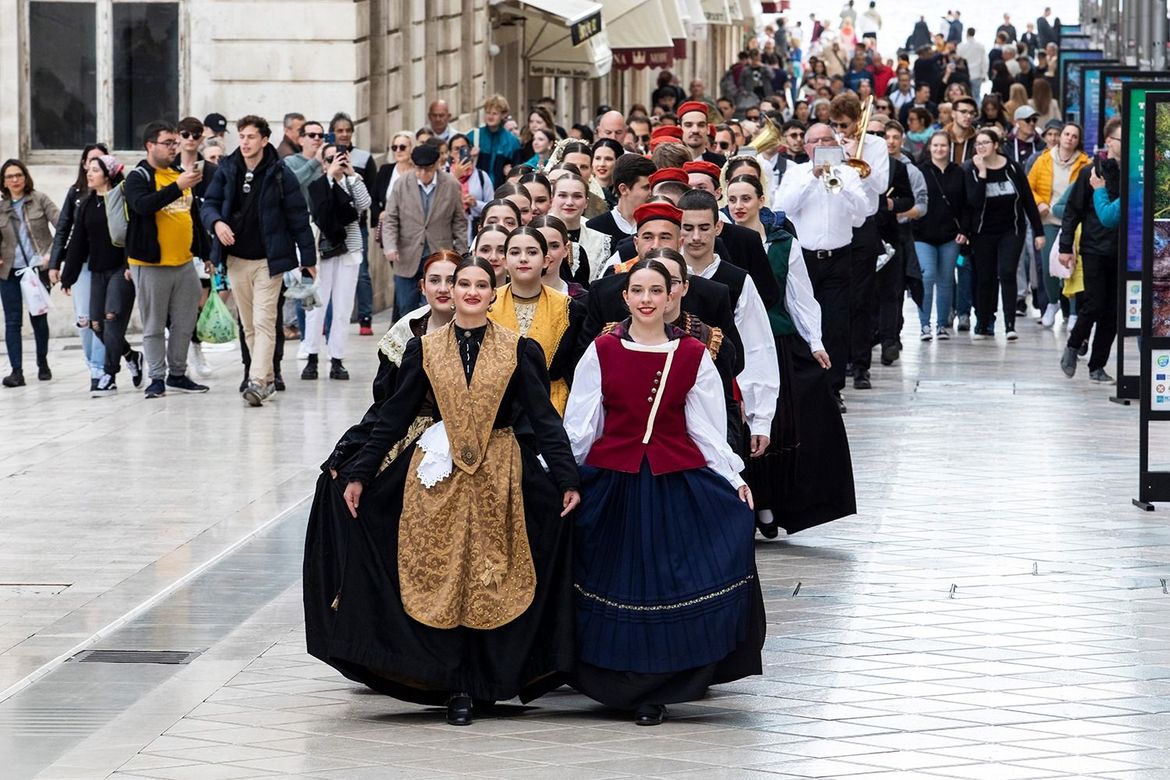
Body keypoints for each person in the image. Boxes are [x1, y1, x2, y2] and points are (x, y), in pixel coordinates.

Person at [309, 256, 580, 727]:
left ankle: (491, 680)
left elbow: (543, 419)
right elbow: (393, 415)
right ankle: (452, 683)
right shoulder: (425, 348)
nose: (472, 291)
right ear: (450, 293)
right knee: (444, 572)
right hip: (438, 475)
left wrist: (566, 477)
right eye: (463, 284)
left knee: (493, 572)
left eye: (481, 285)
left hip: (501, 471)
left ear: (493, 294)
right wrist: (361, 474)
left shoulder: (521, 349)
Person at [563, 258, 764, 726]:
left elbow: (709, 430)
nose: (648, 299)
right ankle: (616, 682)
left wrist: (733, 478)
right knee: (615, 578)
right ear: (625, 297)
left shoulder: (693, 354)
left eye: (657, 290)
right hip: (613, 481)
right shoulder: (601, 350)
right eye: (638, 290)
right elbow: (582, 426)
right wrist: (561, 476)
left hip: (674, 481)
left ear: (674, 295)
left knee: (664, 582)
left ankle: (660, 686)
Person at [201, 114, 318, 406]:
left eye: (251, 137)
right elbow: (210, 205)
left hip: (269, 260)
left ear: (264, 140)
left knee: (265, 321)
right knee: (249, 325)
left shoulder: (280, 173)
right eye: (241, 136)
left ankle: (255, 379)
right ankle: (265, 380)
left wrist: (308, 258)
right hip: (237, 259)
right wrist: (217, 224)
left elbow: (298, 217)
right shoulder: (227, 168)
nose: (245, 142)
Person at [774, 123, 870, 411]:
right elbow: (783, 207)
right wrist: (813, 179)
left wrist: (839, 188)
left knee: (836, 324)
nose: (820, 145)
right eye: (814, 141)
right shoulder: (796, 173)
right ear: (806, 148)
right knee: (803, 321)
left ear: (836, 145)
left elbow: (862, 216)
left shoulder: (849, 173)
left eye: (827, 140)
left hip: (839, 257)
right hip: (803, 258)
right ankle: (806, 385)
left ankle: (833, 388)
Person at [123, 122, 208, 398]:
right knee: (154, 324)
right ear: (150, 146)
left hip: (184, 263)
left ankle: (178, 374)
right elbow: (142, 205)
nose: (174, 147)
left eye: (175, 142)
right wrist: (177, 186)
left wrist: (206, 253)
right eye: (168, 142)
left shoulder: (179, 174)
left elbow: (192, 217)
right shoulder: (139, 176)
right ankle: (156, 378)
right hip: (150, 265)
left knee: (185, 324)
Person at [59, 155, 140, 397]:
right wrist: (68, 277)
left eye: (95, 170)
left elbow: (133, 234)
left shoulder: (123, 200)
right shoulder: (86, 204)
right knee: (96, 325)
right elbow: (77, 244)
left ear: (108, 174)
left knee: (111, 318)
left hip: (121, 269)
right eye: (88, 170)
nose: (89, 174)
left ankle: (109, 374)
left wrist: (130, 264)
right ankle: (131, 355)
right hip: (98, 271)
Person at [488, 226, 585, 414]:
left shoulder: (570, 309)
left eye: (532, 252)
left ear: (545, 261)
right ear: (505, 261)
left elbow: (576, 371)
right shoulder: (488, 304)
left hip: (552, 407)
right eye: (515, 252)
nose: (523, 258)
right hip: (497, 408)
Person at [963, 128, 1044, 340]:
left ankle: (1010, 324)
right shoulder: (971, 169)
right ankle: (983, 321)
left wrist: (1039, 231)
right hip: (982, 232)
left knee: (1007, 272)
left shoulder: (1013, 168)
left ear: (996, 145)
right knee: (985, 276)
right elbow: (973, 202)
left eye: (985, 143)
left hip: (1011, 229)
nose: (981, 147)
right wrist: (982, 174)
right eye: (978, 144)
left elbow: (1027, 199)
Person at [303, 143, 372, 381]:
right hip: (322, 252)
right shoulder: (318, 185)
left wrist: (351, 174)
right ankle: (312, 357)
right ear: (323, 163)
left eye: (341, 157)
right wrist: (331, 177)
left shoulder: (354, 181)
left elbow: (364, 205)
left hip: (349, 251)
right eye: (331, 158)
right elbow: (319, 212)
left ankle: (337, 359)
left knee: (342, 309)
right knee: (316, 306)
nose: (337, 162)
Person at [1059, 118, 1121, 382]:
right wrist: (1065, 246)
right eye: (1121, 138)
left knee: (1113, 312)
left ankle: (1097, 365)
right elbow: (1072, 211)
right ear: (1108, 141)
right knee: (1093, 304)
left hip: (1123, 250)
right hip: (1095, 247)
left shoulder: (1134, 171)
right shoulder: (1091, 171)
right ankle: (1073, 345)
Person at [381, 143, 469, 319]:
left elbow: (459, 221)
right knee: (406, 308)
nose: (422, 174)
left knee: (437, 308)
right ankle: (410, 345)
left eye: (427, 169)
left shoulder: (451, 184)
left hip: (439, 254)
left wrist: (461, 253)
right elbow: (390, 218)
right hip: (407, 255)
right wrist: (390, 246)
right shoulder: (401, 184)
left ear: (436, 165)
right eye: (418, 169)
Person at [48, 143, 109, 389]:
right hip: (82, 263)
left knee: (102, 317)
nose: (95, 166)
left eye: (101, 161)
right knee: (84, 318)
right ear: (84, 164)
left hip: (107, 263)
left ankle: (100, 369)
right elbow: (63, 229)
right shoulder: (76, 193)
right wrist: (55, 264)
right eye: (91, 161)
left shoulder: (116, 192)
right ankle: (93, 364)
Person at [0, 159, 59, 386]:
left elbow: (62, 224)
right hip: (8, 272)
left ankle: (42, 363)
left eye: (18, 175)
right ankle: (17, 372)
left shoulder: (40, 199)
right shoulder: (1, 208)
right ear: (4, 182)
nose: (15, 180)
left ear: (25, 177)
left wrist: (50, 256)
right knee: (12, 321)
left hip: (37, 269)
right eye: (9, 177)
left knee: (38, 317)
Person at [1027, 122, 1089, 328]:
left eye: (1074, 136)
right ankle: (1052, 304)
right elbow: (1029, 186)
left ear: (1078, 141)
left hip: (1073, 224)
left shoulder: (1084, 163)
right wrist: (1040, 203)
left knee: (1071, 268)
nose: (1069, 139)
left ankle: (1072, 312)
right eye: (1067, 134)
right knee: (1047, 267)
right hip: (1049, 221)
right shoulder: (1044, 160)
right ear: (1060, 137)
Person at [914, 130, 964, 341]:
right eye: (935, 145)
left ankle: (942, 324)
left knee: (946, 280)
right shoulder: (920, 171)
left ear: (949, 148)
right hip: (922, 235)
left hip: (950, 236)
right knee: (927, 276)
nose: (939, 149)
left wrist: (964, 230)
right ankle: (925, 325)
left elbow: (965, 204)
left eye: (943, 145)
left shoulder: (958, 172)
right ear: (929, 147)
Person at [584, 153, 656, 245]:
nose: (652, 193)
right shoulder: (594, 228)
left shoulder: (657, 226)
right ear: (623, 189)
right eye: (646, 187)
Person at [470, 94, 522, 187]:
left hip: (500, 190)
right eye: (488, 112)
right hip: (477, 189)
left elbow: (517, 170)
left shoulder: (512, 142)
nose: (490, 117)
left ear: (503, 115)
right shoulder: (473, 136)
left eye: (494, 113)